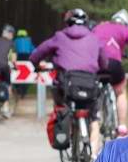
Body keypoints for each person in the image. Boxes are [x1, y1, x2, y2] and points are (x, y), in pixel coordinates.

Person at [30, 9, 110, 147]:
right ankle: (93, 155)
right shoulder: (94, 38)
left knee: (62, 104)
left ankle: (65, 126)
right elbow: (104, 62)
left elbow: (38, 53)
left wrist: (35, 63)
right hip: (90, 83)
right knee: (94, 118)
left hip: (67, 84)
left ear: (67, 23)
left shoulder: (59, 36)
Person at [92, 9, 128, 136]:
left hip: (96, 63)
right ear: (126, 23)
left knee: (93, 91)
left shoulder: (99, 27)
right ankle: (121, 126)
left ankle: (94, 118)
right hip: (114, 65)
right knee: (121, 91)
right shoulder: (126, 30)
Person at [0, 25, 16, 112]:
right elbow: (13, 59)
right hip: (4, 66)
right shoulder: (11, 43)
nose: (12, 36)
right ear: (9, 34)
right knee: (7, 84)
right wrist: (15, 66)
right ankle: (6, 106)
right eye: (12, 34)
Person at [13, 29, 35, 98]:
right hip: (27, 57)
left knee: (16, 73)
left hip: (18, 57)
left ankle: (17, 88)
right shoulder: (29, 40)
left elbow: (13, 49)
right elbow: (33, 50)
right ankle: (23, 91)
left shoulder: (15, 41)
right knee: (27, 73)